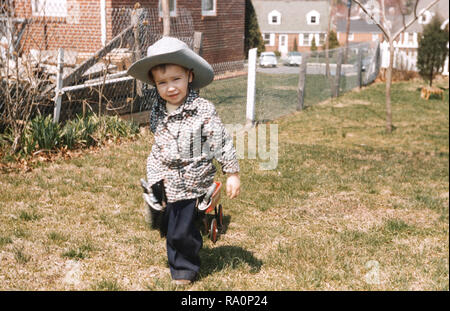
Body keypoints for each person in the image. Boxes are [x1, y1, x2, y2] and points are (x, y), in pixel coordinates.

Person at [127, 36, 240, 285]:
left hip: (191, 179)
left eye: (176, 79)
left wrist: (232, 172)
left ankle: (184, 269)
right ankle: (195, 217)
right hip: (161, 174)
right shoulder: (158, 108)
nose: (170, 88)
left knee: (180, 231)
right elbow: (160, 136)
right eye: (162, 82)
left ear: (189, 76)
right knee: (164, 223)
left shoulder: (202, 110)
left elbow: (220, 141)